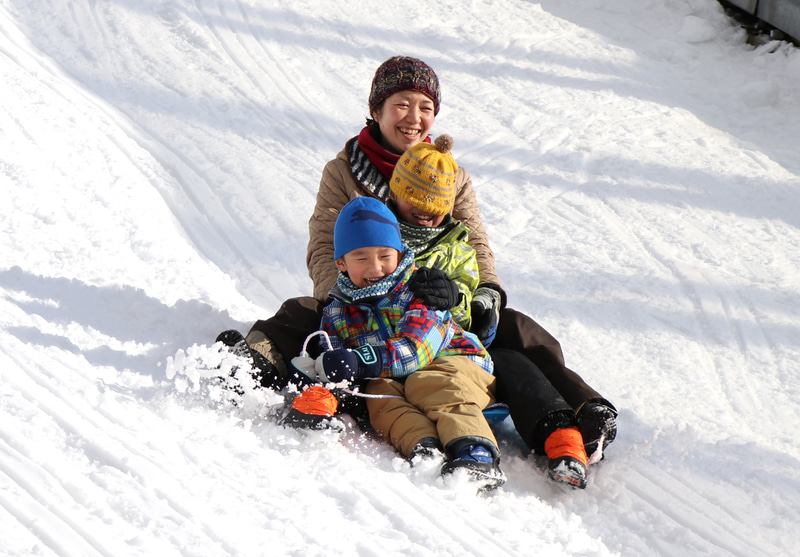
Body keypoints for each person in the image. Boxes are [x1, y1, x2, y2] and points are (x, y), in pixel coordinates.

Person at [220, 55, 616, 467]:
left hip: (438, 314)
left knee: (516, 327)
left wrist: (476, 295)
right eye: (401, 104)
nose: (414, 118)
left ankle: (584, 410)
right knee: (301, 313)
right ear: (376, 110)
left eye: (425, 107)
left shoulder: (451, 175)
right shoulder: (344, 172)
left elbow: (474, 243)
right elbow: (324, 244)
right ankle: (249, 363)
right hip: (363, 299)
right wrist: (354, 292)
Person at [304, 195, 505, 489]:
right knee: (378, 396)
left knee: (431, 382)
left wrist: (359, 360)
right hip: (395, 377)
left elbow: (414, 351)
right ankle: (424, 447)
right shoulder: (337, 311)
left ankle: (476, 451)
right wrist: (323, 369)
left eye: (385, 256)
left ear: (399, 254)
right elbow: (334, 360)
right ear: (341, 263)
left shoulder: (419, 290)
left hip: (453, 363)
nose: (375, 268)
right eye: (361, 258)